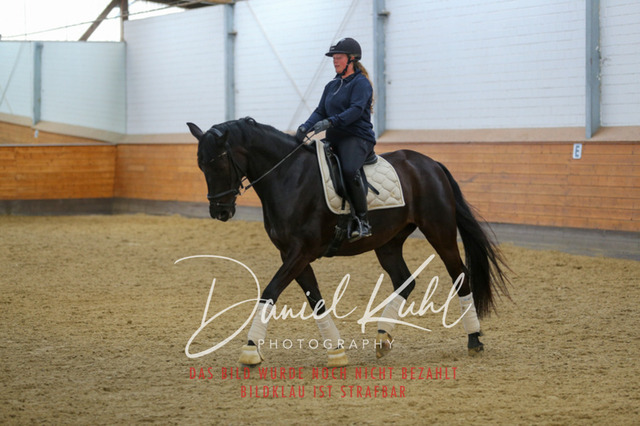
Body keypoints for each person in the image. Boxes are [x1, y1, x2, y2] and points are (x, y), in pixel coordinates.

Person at [296, 37, 376, 241]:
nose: (335, 61)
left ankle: (362, 221)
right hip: (334, 138)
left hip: (357, 137)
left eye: (339, 57)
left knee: (349, 170)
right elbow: (320, 110)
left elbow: (355, 111)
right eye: (334, 58)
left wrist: (331, 121)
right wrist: (306, 126)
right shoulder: (331, 85)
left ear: (352, 59)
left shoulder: (361, 83)